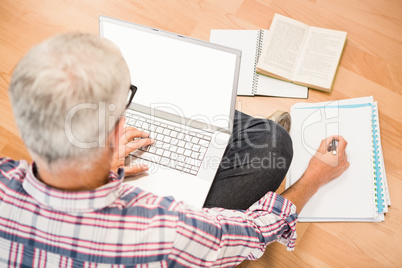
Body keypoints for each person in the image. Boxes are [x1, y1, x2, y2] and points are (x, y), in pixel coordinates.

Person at [1, 33, 349, 267]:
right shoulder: (165, 227)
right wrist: (316, 175)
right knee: (272, 140)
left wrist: (96, 158)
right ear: (116, 128)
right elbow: (257, 231)